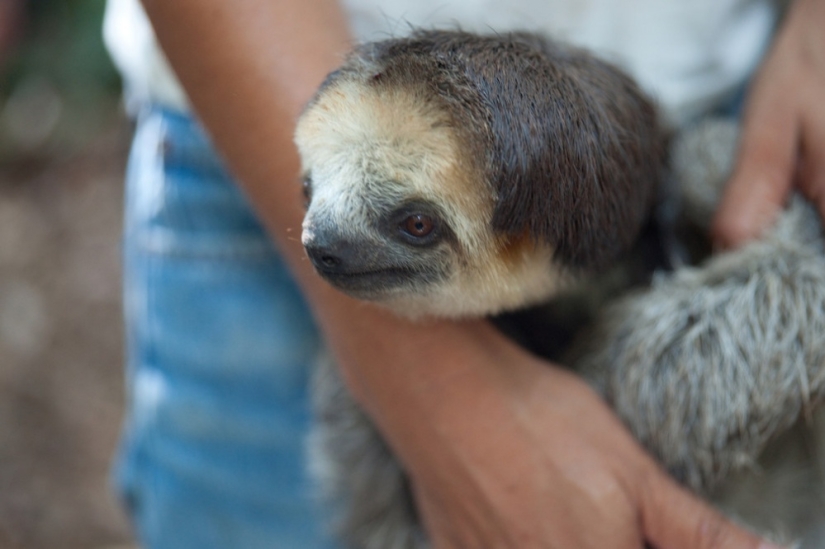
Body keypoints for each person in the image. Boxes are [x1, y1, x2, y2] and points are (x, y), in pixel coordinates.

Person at [104, 0, 825, 547]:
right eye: (315, 186)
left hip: (751, 95)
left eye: (414, 224)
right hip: (243, 111)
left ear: (521, 244)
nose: (318, 237)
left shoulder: (724, 245)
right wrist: (432, 391)